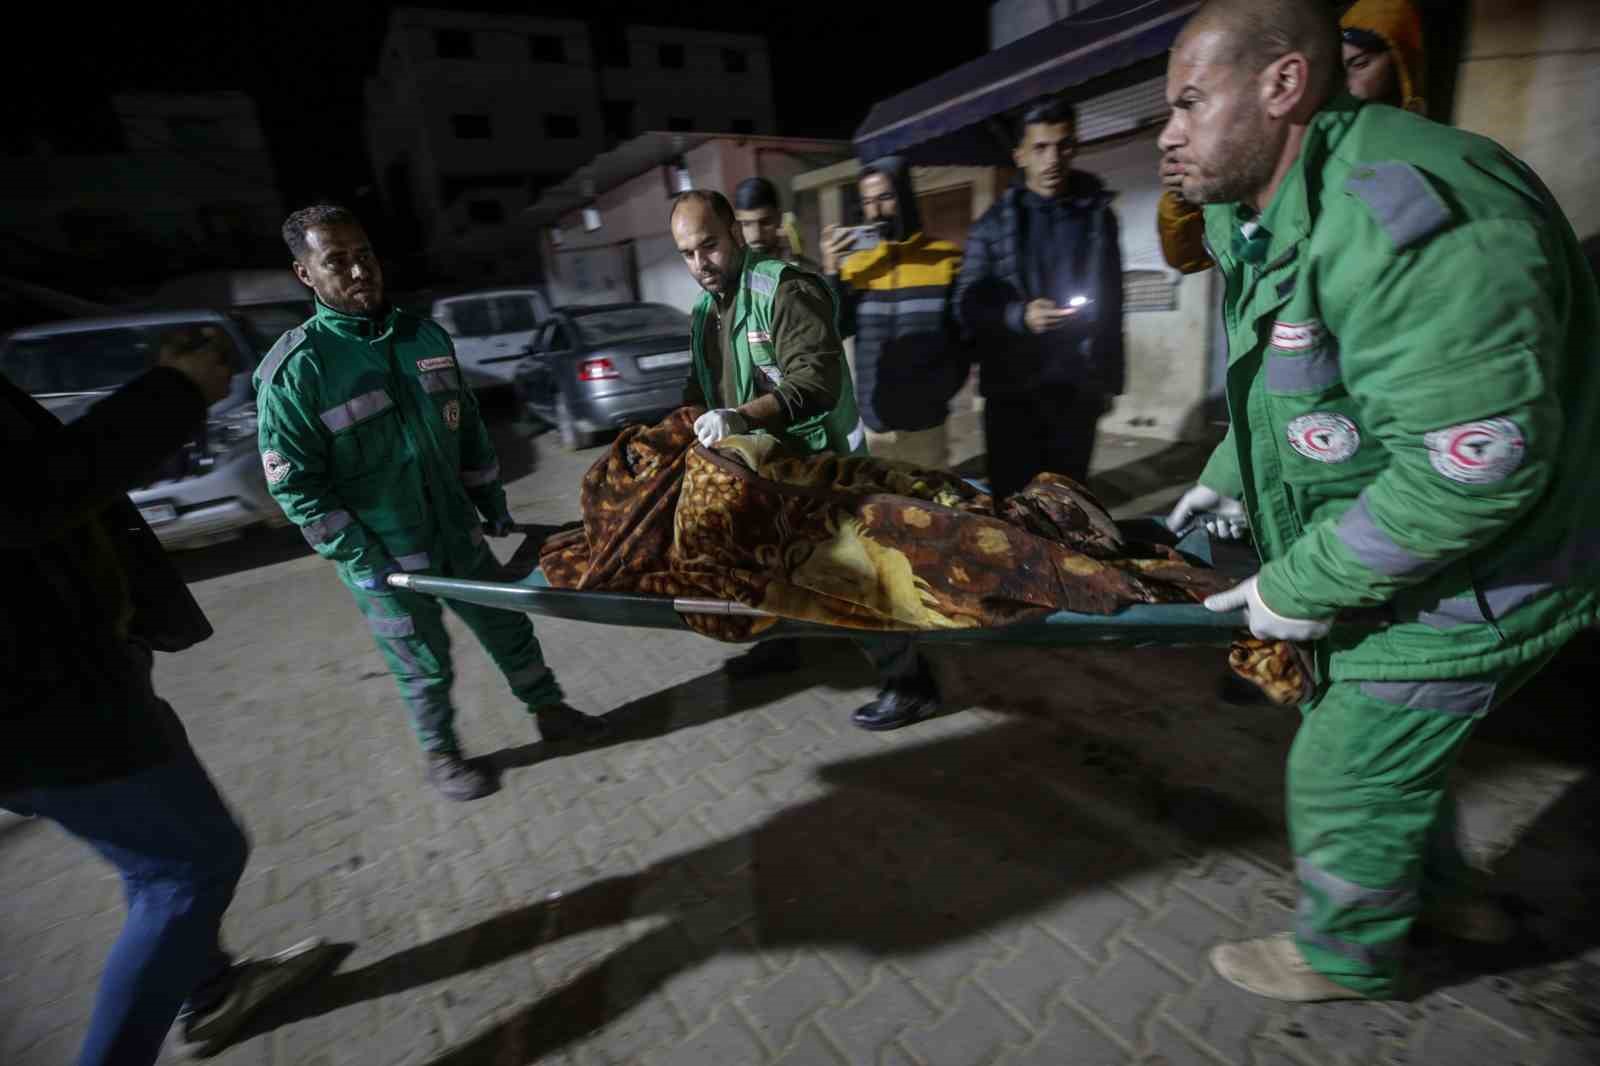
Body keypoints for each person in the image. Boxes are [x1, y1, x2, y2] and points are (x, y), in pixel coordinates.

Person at [1159, 0, 1600, 1004]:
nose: (1166, 135)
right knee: (1388, 743)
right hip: (1413, 540)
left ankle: (1349, 954)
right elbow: (1285, 380)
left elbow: (1473, 468)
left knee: (1346, 763)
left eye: (1189, 103)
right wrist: (1222, 479)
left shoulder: (1410, 220)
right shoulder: (1276, 204)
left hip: (1492, 562)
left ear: (1283, 86)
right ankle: (1441, 898)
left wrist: (1300, 582)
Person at [1, 329, 334, 1064]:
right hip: (40, 704)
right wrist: (173, 394)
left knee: (156, 853)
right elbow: (30, 492)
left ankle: (210, 988)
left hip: (79, 673)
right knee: (189, 866)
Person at [256, 205, 607, 803]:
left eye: (364, 254)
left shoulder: (425, 337)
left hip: (455, 532)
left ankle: (550, 710)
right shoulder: (298, 372)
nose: (359, 270)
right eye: (336, 261)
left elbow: (467, 428)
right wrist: (360, 558)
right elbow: (297, 488)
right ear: (305, 275)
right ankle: (441, 753)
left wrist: (490, 502)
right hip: (385, 559)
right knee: (422, 660)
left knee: (508, 624)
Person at [672, 188, 940, 731]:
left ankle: (911, 683)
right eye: (688, 254)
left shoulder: (785, 290)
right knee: (763, 566)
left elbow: (815, 381)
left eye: (710, 246)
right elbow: (695, 386)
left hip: (820, 467)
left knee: (848, 574)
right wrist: (685, 422)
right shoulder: (706, 313)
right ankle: (781, 648)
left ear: (736, 234)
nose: (701, 264)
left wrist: (740, 418)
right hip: (762, 473)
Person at [1157, 0, 1429, 274]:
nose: (1167, 138)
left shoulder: (1405, 190)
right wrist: (1181, 196)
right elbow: (1188, 258)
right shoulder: (1252, 169)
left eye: (1361, 64)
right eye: (1341, 70)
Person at [953, 96, 1126, 500]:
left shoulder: (1098, 216)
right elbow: (966, 305)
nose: (1053, 159)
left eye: (1063, 145)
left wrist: (1110, 379)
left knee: (1071, 500)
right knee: (1015, 502)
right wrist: (1018, 316)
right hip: (1013, 392)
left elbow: (1115, 303)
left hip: (1077, 387)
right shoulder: (991, 226)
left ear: (1075, 146)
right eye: (1040, 148)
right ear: (1020, 155)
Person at [821, 157, 967, 468]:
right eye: (867, 201)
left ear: (905, 198)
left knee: (933, 512)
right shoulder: (857, 266)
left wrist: (942, 388)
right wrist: (832, 272)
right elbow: (834, 329)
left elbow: (965, 339)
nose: (876, 210)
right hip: (875, 430)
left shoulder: (946, 260)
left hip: (928, 428)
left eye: (885, 197)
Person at [733, 176, 821, 272]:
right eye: (746, 224)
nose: (756, 235)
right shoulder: (732, 274)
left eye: (765, 223)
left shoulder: (806, 270)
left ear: (778, 218)